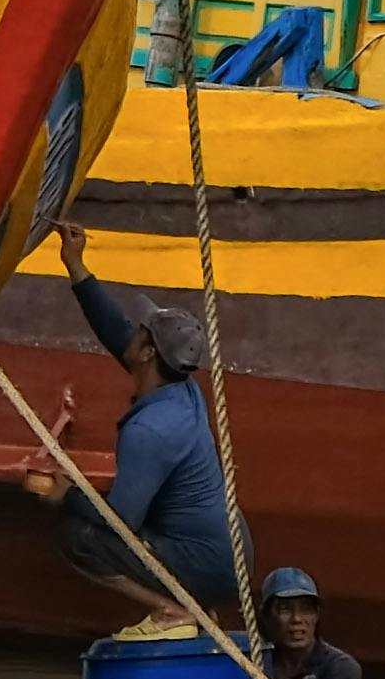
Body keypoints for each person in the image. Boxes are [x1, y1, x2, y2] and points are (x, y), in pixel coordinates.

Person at [14, 230, 240, 624]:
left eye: (141, 330)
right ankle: (194, 599)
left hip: (206, 567)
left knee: (79, 537)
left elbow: (119, 522)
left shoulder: (150, 430)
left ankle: (178, 609)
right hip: (226, 555)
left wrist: (65, 492)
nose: (131, 330)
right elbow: (113, 328)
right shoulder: (181, 387)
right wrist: (76, 265)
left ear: (149, 352)